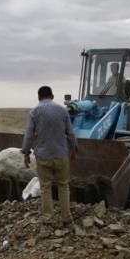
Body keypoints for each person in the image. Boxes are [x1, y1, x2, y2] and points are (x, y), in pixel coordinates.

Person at [21, 86, 77, 226]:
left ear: (39, 97)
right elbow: (70, 133)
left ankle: (47, 218)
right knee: (63, 186)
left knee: (45, 187)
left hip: (43, 157)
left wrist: (26, 153)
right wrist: (74, 150)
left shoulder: (34, 112)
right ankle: (66, 217)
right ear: (52, 96)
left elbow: (28, 136)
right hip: (61, 155)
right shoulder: (63, 111)